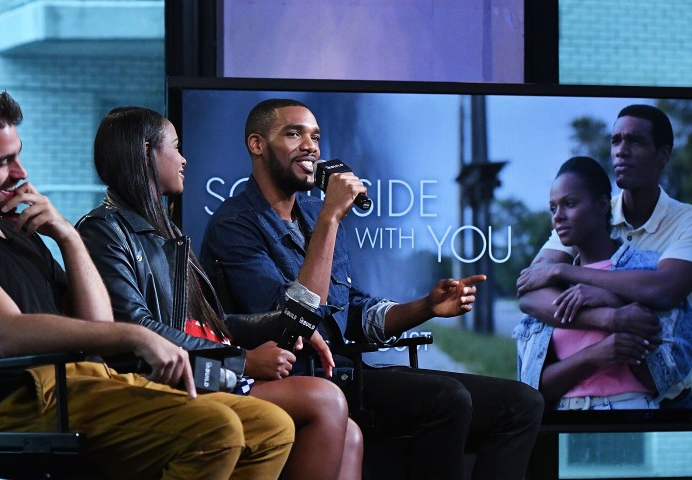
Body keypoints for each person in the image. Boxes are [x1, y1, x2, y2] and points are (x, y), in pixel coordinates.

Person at [0, 88, 295, 480]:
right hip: (15, 401)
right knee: (216, 431)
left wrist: (68, 238)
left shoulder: (12, 226)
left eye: (18, 154)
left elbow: (97, 324)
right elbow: (5, 332)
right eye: (2, 162)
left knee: (271, 428)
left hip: (83, 382)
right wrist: (136, 337)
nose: (21, 173)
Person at [200, 98, 544, 480]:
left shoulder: (315, 215)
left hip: (349, 374)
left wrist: (427, 306)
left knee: (522, 403)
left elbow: (355, 312)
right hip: (300, 383)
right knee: (448, 400)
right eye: (293, 133)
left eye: (315, 136)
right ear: (257, 145)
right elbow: (293, 320)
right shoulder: (235, 226)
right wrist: (331, 216)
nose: (311, 146)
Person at [76, 106, 363, 480]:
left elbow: (205, 324)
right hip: (167, 378)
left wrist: (284, 325)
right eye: (175, 147)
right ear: (147, 152)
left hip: (203, 368)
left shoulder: (166, 233)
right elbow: (136, 330)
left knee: (351, 434)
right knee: (324, 401)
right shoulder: (104, 230)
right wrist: (241, 361)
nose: (184, 159)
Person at [516, 105, 692, 405]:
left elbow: (664, 291)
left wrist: (568, 273)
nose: (621, 151)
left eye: (635, 141)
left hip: (673, 398)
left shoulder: (685, 220)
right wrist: (609, 316)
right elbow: (530, 292)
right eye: (615, 141)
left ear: (663, 155)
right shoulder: (586, 214)